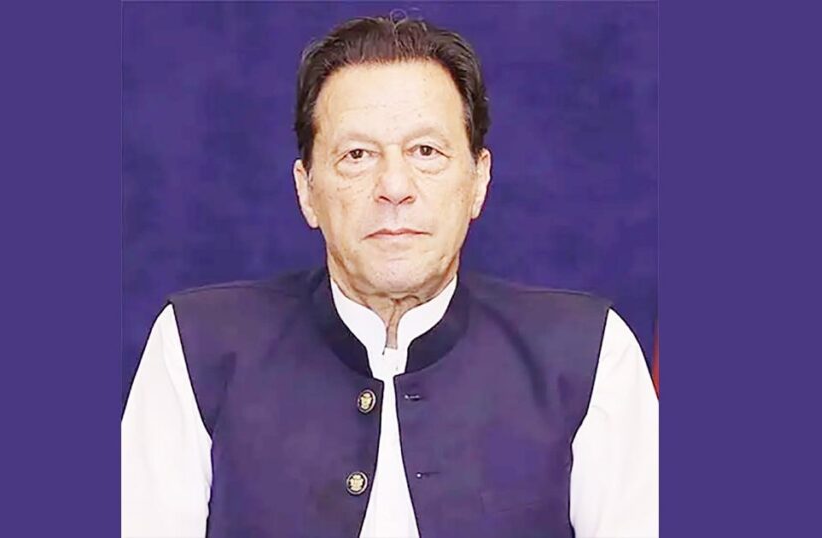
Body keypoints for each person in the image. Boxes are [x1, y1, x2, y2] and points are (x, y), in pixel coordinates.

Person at [122, 14, 658, 538]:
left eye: (426, 151)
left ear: (478, 181)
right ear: (307, 190)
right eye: (357, 155)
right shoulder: (195, 347)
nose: (395, 187)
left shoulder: (589, 354)